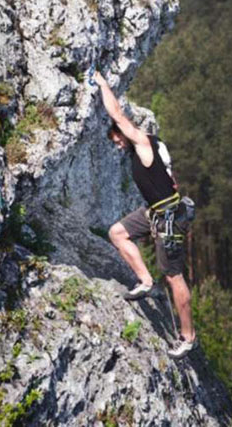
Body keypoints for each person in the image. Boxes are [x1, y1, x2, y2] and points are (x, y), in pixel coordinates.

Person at [93, 71, 197, 359]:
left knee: (174, 276)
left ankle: (188, 336)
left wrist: (102, 84)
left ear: (125, 134)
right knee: (117, 232)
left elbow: (117, 113)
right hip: (154, 211)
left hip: (169, 217)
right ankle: (145, 281)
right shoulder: (148, 149)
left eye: (117, 141)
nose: (118, 146)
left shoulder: (141, 142)